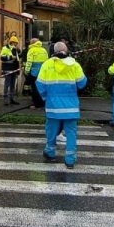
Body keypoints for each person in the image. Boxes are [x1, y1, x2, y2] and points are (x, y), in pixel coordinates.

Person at [36, 41, 87, 169]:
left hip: (53, 106)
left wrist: (45, 98)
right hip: (71, 107)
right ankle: (70, 160)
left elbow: (40, 84)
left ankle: (50, 152)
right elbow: (82, 83)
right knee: (71, 133)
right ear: (66, 50)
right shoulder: (74, 64)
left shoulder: (47, 64)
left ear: (54, 50)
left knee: (51, 131)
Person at [24, 38, 49, 109]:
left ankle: (36, 104)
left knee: (34, 89)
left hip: (34, 73)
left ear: (32, 43)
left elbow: (29, 62)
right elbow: (47, 61)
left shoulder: (31, 50)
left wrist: (26, 71)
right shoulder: (44, 50)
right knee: (42, 88)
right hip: (43, 73)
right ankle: (43, 103)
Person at [0, 36, 22, 105]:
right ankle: (5, 99)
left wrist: (19, 51)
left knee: (12, 85)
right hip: (7, 69)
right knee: (7, 84)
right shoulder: (5, 48)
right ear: (11, 42)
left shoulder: (16, 49)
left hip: (14, 69)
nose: (16, 44)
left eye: (16, 43)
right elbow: (2, 57)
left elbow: (20, 57)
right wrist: (11, 57)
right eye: (15, 43)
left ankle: (12, 99)